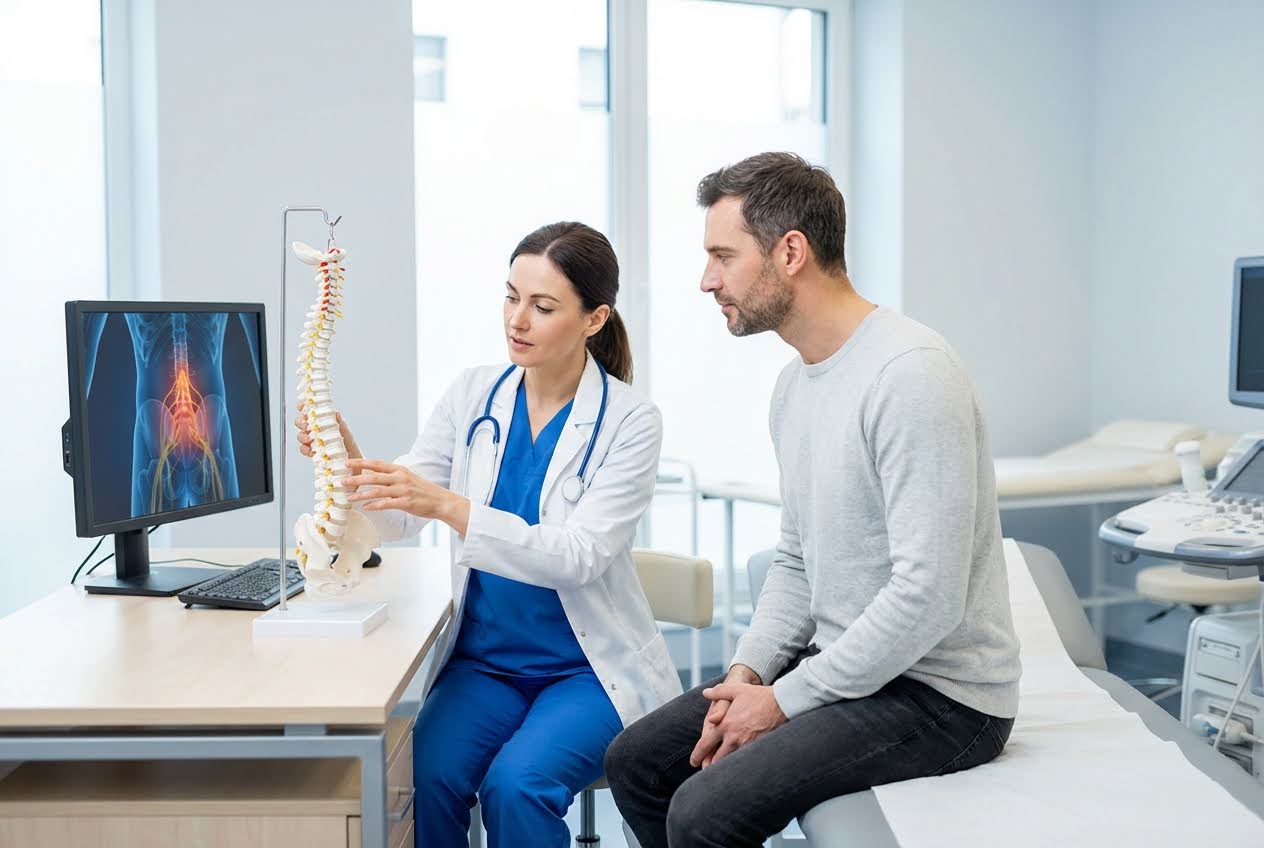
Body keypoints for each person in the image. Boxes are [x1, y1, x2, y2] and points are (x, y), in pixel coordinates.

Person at [604, 152, 1022, 848]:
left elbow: (929, 596)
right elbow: (796, 559)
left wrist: (782, 702)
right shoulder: (795, 387)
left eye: (722, 257)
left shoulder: (911, 376)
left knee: (703, 813)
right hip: (849, 664)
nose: (707, 281)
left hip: (943, 697)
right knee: (639, 764)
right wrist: (747, 676)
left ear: (790, 252)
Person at [296, 221, 681, 847]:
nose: (517, 320)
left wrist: (451, 505)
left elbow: (578, 557)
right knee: (424, 774)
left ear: (594, 318)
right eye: (511, 297)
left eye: (543, 305)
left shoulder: (631, 421)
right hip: (484, 665)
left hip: (586, 670)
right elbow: (397, 517)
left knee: (517, 786)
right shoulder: (473, 394)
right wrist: (345, 461)